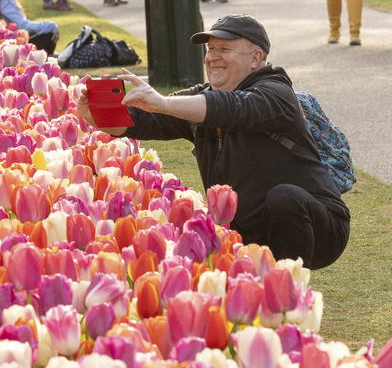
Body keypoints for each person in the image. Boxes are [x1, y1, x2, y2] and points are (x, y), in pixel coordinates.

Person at [75, 15, 350, 270]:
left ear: (256, 58)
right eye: (210, 49)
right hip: (250, 228)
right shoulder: (205, 97)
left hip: (318, 225)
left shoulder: (277, 93)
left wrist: (165, 102)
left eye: (225, 49)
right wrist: (100, 116)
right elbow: (147, 120)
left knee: (284, 198)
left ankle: (288, 293)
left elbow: (234, 108)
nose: (213, 57)